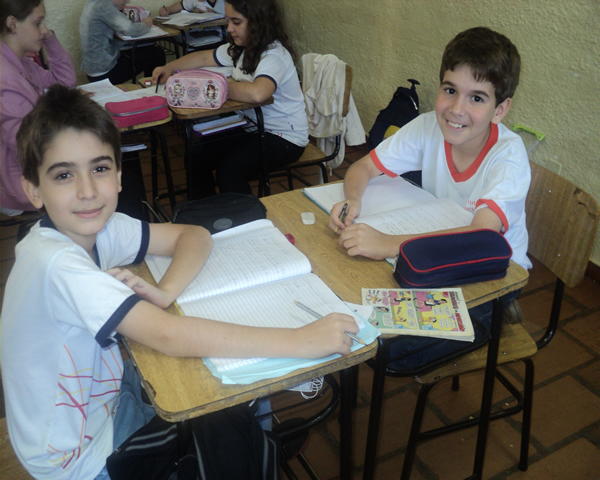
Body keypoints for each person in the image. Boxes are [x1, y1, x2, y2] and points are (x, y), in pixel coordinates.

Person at [0, 84, 358, 480]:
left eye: (99, 168)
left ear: (118, 176)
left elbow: (194, 236)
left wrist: (165, 291)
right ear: (34, 190)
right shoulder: (55, 263)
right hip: (81, 459)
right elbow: (169, 335)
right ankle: (250, 453)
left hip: (103, 401)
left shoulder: (98, 228)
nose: (87, 191)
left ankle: (255, 447)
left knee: (230, 372)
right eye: (64, 175)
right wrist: (301, 340)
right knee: (219, 378)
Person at [329, 27, 531, 369]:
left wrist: (389, 244)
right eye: (450, 90)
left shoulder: (508, 156)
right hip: (437, 249)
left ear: (500, 109)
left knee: (389, 351)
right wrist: (354, 199)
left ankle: (495, 314)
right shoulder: (428, 127)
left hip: (492, 273)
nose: (456, 109)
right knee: (357, 308)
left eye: (477, 98)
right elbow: (363, 167)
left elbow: (480, 236)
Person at [152, 0, 309, 198]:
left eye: (236, 22)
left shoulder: (273, 55)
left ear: (258, 22)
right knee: (196, 155)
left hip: (284, 137)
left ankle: (246, 216)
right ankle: (206, 211)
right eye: (228, 21)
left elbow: (258, 93)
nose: (229, 28)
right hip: (254, 127)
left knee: (230, 172)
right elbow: (203, 57)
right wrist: (169, 67)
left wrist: (214, 88)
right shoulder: (242, 47)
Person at [0, 0, 76, 216]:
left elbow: (65, 82)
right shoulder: (6, 79)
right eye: (38, 23)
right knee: (104, 176)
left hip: (34, 160)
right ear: (12, 24)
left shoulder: (21, 63)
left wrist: (49, 40)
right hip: (21, 181)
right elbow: (27, 151)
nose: (44, 30)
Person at [79, 0, 166, 85]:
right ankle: (153, 88)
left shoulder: (93, 3)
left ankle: (149, 86)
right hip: (104, 72)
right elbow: (132, 29)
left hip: (93, 68)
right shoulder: (104, 6)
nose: (127, 1)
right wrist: (146, 24)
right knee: (156, 54)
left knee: (147, 50)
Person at [160, 0, 226, 16]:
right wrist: (168, 9)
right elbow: (181, 5)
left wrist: (215, 15)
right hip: (205, 36)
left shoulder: (228, 2)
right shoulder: (196, 1)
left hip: (226, 37)